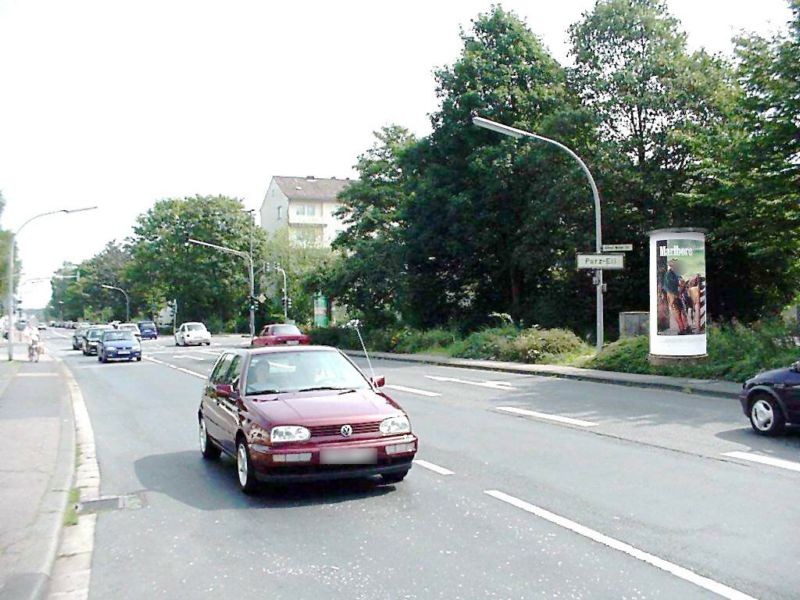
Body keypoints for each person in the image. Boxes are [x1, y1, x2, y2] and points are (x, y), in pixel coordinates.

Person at [663, 259, 690, 334]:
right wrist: (680, 286)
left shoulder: (675, 274)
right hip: (673, 295)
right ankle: (683, 328)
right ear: (672, 266)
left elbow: (682, 283)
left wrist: (681, 287)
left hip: (676, 295)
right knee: (678, 312)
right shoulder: (669, 275)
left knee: (680, 312)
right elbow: (670, 286)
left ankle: (685, 328)